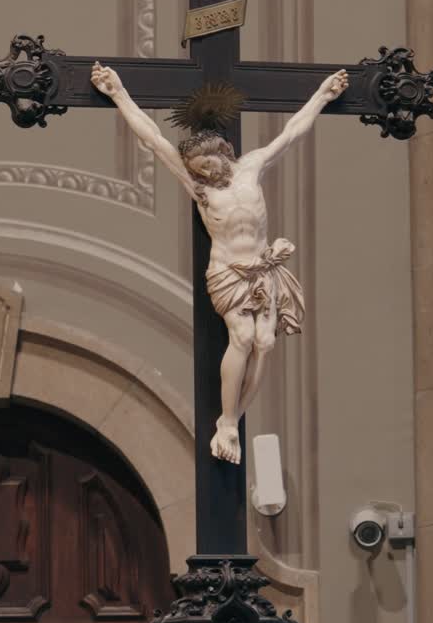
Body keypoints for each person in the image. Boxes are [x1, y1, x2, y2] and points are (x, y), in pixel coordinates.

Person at [91, 62, 348, 463]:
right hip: (229, 273)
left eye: (207, 165)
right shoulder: (199, 189)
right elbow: (154, 139)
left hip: (264, 269)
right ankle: (227, 419)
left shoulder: (252, 167)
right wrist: (117, 92)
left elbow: (293, 133)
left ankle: (232, 423)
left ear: (221, 153)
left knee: (265, 343)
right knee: (243, 339)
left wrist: (323, 95)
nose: (205, 174)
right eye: (197, 171)